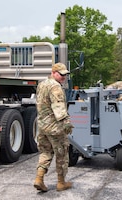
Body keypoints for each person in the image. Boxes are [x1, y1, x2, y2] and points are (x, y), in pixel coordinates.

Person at [33, 62, 74, 192]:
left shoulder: (42, 84)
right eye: (61, 74)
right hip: (55, 127)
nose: (64, 77)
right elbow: (59, 108)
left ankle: (39, 179)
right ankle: (61, 183)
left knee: (45, 152)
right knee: (61, 154)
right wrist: (67, 124)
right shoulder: (56, 87)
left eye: (65, 75)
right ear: (53, 72)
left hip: (42, 126)